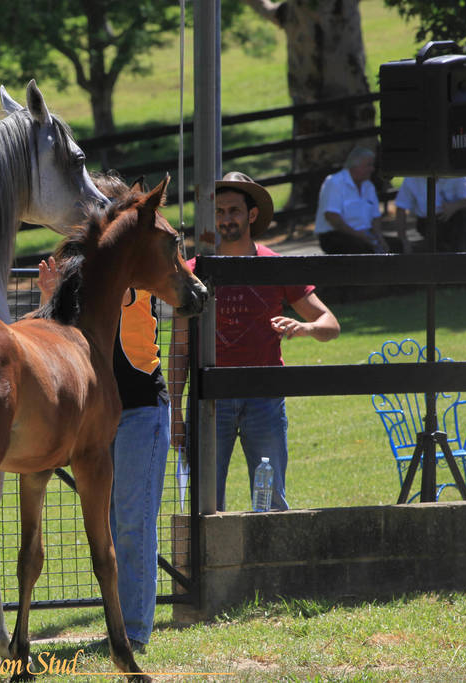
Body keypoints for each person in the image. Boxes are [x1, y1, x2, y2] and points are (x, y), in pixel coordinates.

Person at [37, 171, 167, 652]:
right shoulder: (86, 270)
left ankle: (134, 630)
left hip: (138, 408)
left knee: (132, 521)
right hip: (93, 412)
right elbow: (54, 335)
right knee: (110, 522)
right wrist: (49, 300)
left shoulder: (136, 265)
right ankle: (123, 624)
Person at [180, 172, 340, 511]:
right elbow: (180, 348)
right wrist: (174, 410)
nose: (226, 219)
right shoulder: (195, 270)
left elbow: (330, 323)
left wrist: (305, 328)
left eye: (234, 210)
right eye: (219, 212)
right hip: (210, 398)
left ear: (252, 215)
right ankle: (207, 566)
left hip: (264, 396)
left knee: (271, 502)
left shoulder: (275, 266)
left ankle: (269, 563)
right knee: (204, 505)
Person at [314, 147, 388, 254]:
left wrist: (380, 238)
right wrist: (359, 235)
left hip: (364, 234)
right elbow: (332, 217)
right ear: (355, 166)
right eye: (368, 165)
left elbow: (375, 217)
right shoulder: (334, 182)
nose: (372, 169)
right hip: (335, 235)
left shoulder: (368, 186)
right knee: (361, 249)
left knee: (396, 246)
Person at [394, 175, 466, 253]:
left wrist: (453, 207)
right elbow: (401, 207)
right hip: (427, 222)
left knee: (463, 218)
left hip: (454, 219)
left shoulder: (456, 172)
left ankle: (461, 255)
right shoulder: (412, 179)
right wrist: (403, 239)